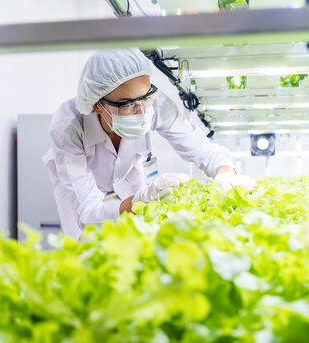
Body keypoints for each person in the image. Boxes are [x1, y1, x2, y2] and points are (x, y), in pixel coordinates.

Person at [43, 48, 255, 239]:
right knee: (87, 241)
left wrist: (225, 174)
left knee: (138, 238)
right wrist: (140, 200)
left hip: (128, 179)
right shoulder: (68, 126)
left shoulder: (154, 104)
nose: (143, 111)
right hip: (81, 195)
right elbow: (88, 212)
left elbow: (205, 152)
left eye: (146, 97)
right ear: (98, 106)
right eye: (128, 105)